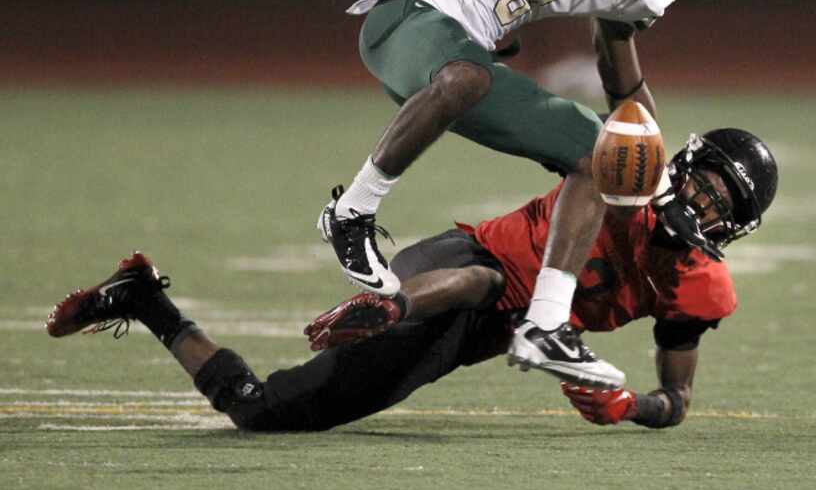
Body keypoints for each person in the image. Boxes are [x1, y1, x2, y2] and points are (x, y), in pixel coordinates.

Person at [285, 0, 717, 389]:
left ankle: (546, 325)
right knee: (468, 77)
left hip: (465, 59)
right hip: (407, 17)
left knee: (603, 151)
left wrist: (657, 170)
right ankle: (351, 213)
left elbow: (624, 88)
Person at [46, 126, 777, 431]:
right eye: (707, 183)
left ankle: (145, 297)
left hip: (475, 331)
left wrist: (632, 409)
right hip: (457, 265)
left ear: (733, 227)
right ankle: (387, 309)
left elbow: (677, 397)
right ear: (683, 164)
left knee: (263, 412)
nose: (706, 202)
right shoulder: (623, 174)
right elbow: (581, 137)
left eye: (724, 204)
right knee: (489, 283)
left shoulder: (700, 288)